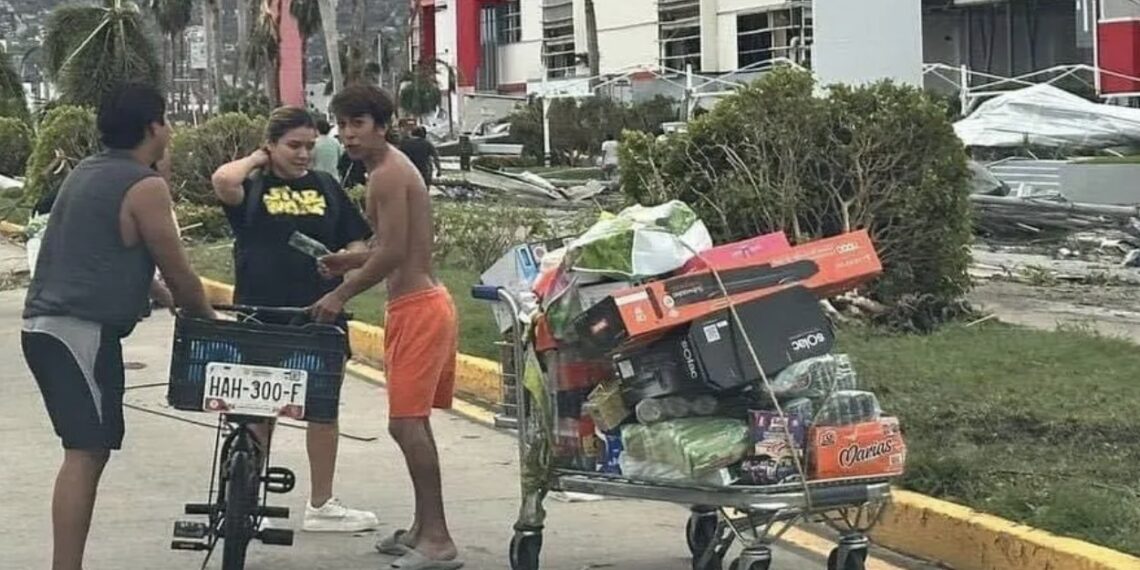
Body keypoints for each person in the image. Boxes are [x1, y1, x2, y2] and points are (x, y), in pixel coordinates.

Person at [22, 82, 216, 570]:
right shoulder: (144, 185)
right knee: (84, 451)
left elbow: (108, 250)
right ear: (153, 127)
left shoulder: (89, 171)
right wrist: (207, 319)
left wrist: (162, 297)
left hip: (61, 329)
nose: (170, 129)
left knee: (93, 449)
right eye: (166, 120)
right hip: (75, 330)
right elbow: (179, 270)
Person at [310, 84, 463, 570]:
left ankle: (438, 540)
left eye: (357, 124)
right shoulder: (387, 169)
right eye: (341, 124)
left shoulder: (388, 174)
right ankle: (421, 528)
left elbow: (396, 253)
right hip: (414, 305)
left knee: (406, 423)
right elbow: (392, 244)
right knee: (409, 423)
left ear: (382, 125)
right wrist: (348, 261)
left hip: (420, 307)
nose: (347, 134)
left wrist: (341, 293)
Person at [210, 106, 379, 533]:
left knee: (322, 407)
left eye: (309, 145)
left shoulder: (326, 186)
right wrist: (258, 159)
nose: (304, 154)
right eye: (293, 146)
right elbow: (222, 181)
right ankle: (244, 497)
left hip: (318, 312)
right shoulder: (252, 185)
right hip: (260, 311)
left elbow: (356, 237)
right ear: (271, 146)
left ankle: (321, 503)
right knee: (256, 409)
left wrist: (347, 264)